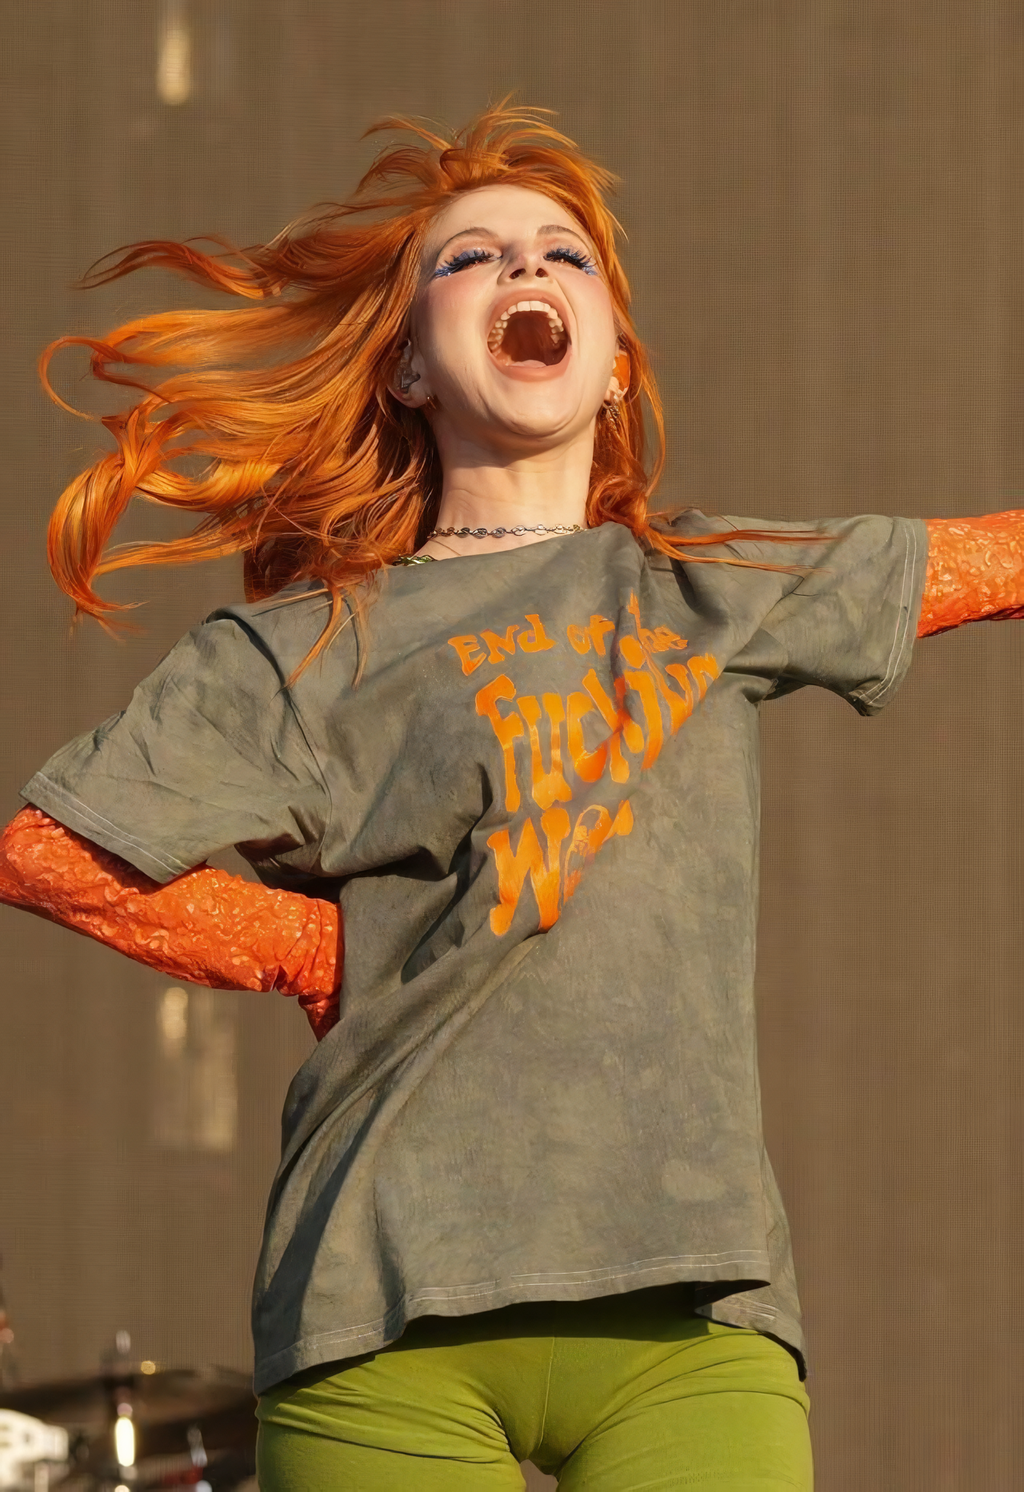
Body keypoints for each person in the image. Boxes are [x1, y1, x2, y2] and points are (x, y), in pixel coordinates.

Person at [0, 102, 1020, 1491]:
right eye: (470, 257)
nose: (527, 267)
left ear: (615, 364)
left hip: (691, 1310)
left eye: (565, 254)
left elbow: (996, 557)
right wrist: (309, 947)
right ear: (409, 365)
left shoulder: (710, 584)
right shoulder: (309, 647)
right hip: (382, 1315)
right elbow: (48, 851)